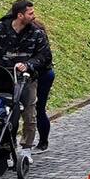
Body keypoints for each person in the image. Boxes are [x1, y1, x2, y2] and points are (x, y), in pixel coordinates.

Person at [0, 0, 52, 160]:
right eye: (30, 13)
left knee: (29, 112)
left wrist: (29, 65)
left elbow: (45, 56)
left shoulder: (36, 33)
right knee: (5, 112)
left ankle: (26, 147)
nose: (34, 16)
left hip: (26, 78)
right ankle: (6, 146)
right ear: (19, 15)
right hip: (2, 78)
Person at [32, 19, 55, 153]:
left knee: (39, 108)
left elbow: (45, 57)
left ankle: (43, 142)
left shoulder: (36, 31)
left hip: (42, 74)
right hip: (22, 74)